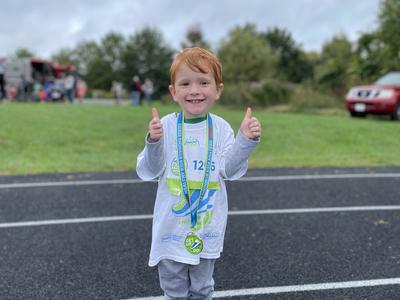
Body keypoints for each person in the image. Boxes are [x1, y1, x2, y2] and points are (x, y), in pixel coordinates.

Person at [136, 47, 261, 299]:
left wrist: (245, 141)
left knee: (202, 289)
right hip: (171, 230)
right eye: (185, 83)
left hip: (207, 230)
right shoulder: (167, 127)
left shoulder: (221, 128)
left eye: (203, 82)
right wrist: (153, 142)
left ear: (217, 90)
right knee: (174, 290)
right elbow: (149, 170)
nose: (194, 90)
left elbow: (230, 170)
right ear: (173, 91)